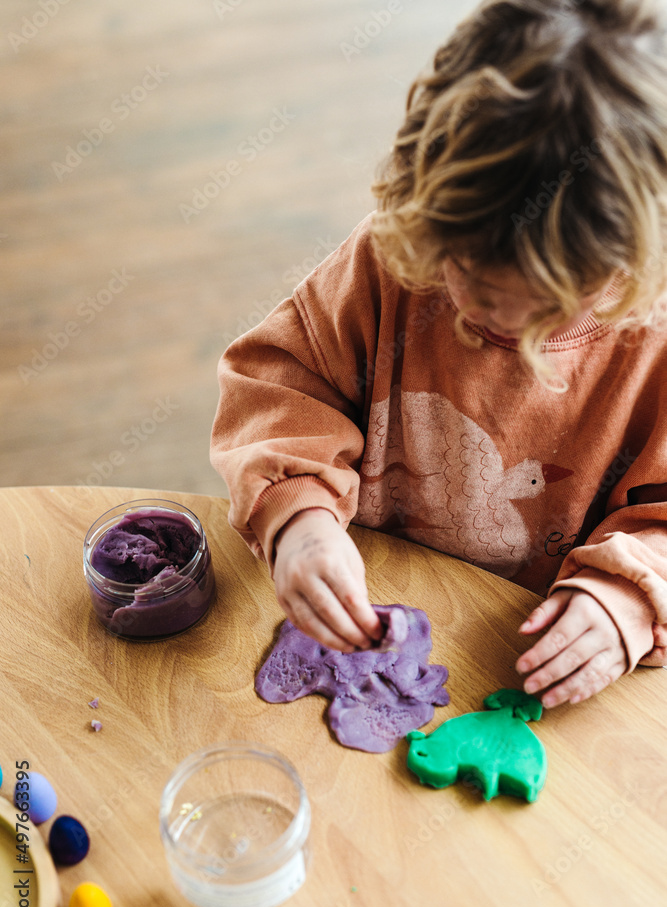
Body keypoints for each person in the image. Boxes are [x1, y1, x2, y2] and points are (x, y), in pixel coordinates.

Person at [211, 0, 667, 709]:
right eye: (472, 283)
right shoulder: (393, 260)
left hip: (523, 659)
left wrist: (627, 596)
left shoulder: (654, 340)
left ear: (633, 264)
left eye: (549, 309)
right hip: (364, 602)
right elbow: (280, 386)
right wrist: (297, 518)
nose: (497, 325)